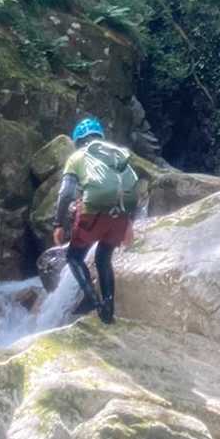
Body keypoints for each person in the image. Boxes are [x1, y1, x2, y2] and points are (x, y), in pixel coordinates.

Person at [52, 117, 137, 325]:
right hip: (119, 215)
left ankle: (92, 300)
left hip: (92, 214)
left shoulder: (77, 157)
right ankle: (108, 309)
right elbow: (131, 187)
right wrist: (129, 223)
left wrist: (58, 224)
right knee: (103, 258)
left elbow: (66, 193)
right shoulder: (116, 155)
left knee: (74, 257)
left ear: (78, 141)